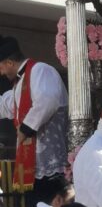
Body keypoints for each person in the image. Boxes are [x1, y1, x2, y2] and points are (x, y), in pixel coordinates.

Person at [0, 35, 68, 207]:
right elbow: (5, 106)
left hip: (51, 165)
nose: (1, 73)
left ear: (9, 62)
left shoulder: (41, 70)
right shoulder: (18, 85)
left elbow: (48, 99)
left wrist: (25, 128)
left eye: (0, 67)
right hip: (33, 167)